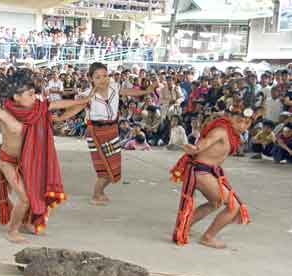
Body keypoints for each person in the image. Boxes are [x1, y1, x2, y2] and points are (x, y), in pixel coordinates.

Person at [0, 68, 93, 243]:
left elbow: (61, 105)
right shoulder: (2, 113)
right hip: (7, 161)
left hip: (29, 160)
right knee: (24, 198)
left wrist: (85, 100)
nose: (34, 97)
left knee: (34, 192)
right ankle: (12, 230)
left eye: (34, 93)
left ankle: (26, 223)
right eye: (29, 94)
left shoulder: (38, 108)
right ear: (16, 97)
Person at [170, 109, 253, 249]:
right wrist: (195, 149)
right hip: (201, 172)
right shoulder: (221, 130)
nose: (243, 126)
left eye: (247, 123)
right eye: (239, 121)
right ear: (231, 118)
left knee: (215, 203)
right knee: (234, 207)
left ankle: (186, 226)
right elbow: (206, 142)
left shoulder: (232, 134)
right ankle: (207, 237)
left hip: (206, 171)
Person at [84, 62, 156, 205]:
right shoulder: (87, 95)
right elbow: (75, 107)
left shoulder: (114, 87)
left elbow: (130, 92)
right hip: (96, 133)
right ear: (90, 78)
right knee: (105, 168)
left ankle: (100, 192)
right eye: (97, 77)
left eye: (105, 75)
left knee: (114, 168)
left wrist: (146, 91)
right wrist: (61, 117)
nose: (102, 79)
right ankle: (96, 195)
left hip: (112, 131)